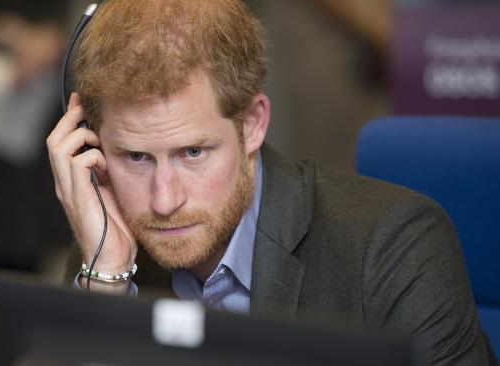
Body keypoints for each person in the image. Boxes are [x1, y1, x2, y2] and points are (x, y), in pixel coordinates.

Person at [46, 0, 496, 364]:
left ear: (253, 125)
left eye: (193, 153)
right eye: (137, 157)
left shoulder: (394, 246)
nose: (164, 201)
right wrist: (105, 279)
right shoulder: (109, 241)